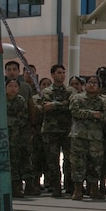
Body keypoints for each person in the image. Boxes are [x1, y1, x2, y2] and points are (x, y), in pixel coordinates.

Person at [69, 74, 106, 200]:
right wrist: (92, 114)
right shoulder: (77, 98)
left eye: (95, 83)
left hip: (95, 137)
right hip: (79, 136)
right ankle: (77, 190)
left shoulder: (103, 101)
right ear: (85, 84)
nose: (92, 85)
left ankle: (94, 189)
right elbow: (75, 112)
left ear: (99, 87)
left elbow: (105, 116)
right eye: (89, 82)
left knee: (95, 163)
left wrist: (97, 116)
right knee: (78, 163)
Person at [38, 65, 74, 197]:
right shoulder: (46, 91)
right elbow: (44, 107)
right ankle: (56, 187)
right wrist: (61, 104)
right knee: (52, 160)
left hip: (66, 130)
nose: (62, 75)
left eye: (64, 72)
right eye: (59, 73)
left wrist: (54, 104)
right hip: (50, 130)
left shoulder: (71, 91)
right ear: (52, 75)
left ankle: (70, 185)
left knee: (69, 160)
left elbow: (72, 105)